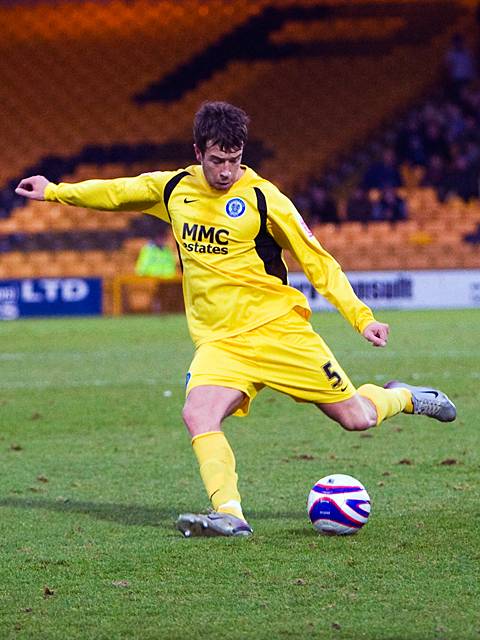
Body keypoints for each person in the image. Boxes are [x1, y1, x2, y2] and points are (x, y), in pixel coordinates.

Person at [15, 101, 456, 538]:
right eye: (216, 160)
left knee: (356, 417)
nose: (226, 171)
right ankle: (229, 513)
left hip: (279, 332)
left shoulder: (266, 198)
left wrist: (362, 319)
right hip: (221, 343)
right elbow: (116, 193)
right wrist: (55, 191)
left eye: (234, 160)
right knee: (197, 413)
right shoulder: (173, 190)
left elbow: (318, 262)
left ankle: (403, 396)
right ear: (197, 152)